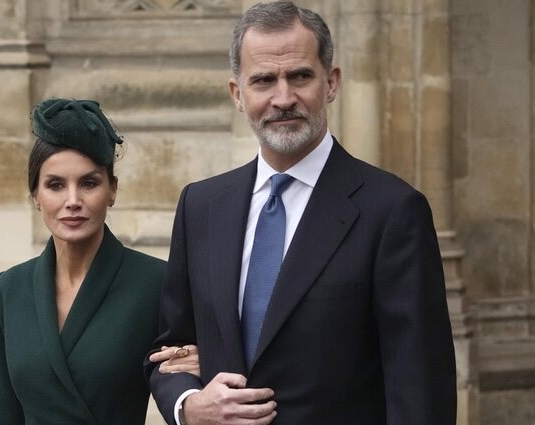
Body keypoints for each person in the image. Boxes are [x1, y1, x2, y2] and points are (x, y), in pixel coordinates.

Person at [145, 2, 457, 424]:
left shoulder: (393, 211)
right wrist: (188, 406)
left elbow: (419, 388)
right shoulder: (201, 206)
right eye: (264, 80)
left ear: (331, 82)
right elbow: (172, 350)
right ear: (238, 94)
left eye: (300, 76)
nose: (283, 98)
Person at [0, 98, 199, 425]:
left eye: (89, 183)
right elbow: (3, 414)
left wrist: (203, 360)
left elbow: (186, 380)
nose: (73, 201)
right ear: (35, 196)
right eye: (55, 185)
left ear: (112, 190)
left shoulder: (155, 282)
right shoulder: (7, 289)